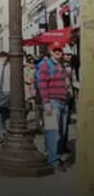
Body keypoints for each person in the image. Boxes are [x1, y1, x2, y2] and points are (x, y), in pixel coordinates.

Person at [37, 43, 69, 172]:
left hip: (63, 102)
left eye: (59, 50)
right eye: (55, 50)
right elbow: (42, 84)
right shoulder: (46, 65)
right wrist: (47, 103)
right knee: (53, 132)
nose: (58, 52)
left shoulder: (61, 66)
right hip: (52, 102)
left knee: (60, 132)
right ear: (50, 52)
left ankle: (55, 156)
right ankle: (53, 160)